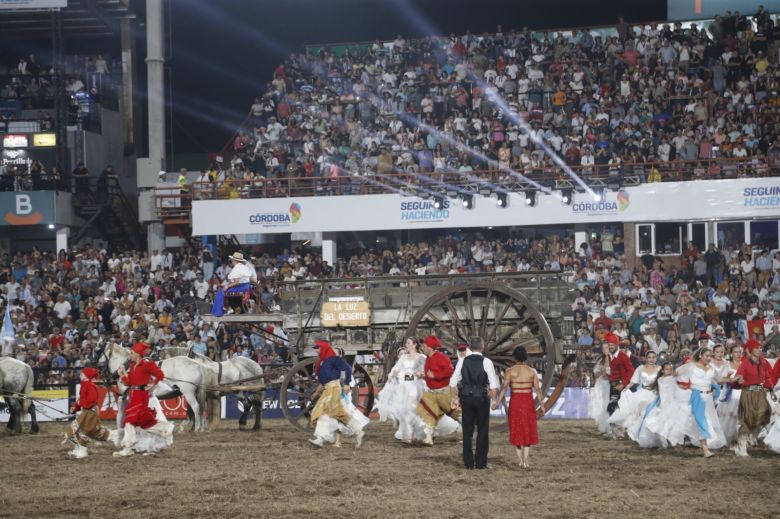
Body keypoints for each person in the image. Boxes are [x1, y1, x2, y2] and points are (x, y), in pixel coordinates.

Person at [113, 342, 173, 457]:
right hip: (134, 395)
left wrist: (152, 384)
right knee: (143, 422)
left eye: (132, 353)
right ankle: (165, 428)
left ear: (138, 354)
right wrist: (122, 374)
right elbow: (129, 383)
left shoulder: (147, 364)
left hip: (141, 396)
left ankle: (128, 447)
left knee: (129, 420)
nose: (130, 354)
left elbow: (160, 375)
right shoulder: (132, 365)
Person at [451, 336, 499, 469]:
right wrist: (494, 400)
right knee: (483, 430)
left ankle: (468, 463)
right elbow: (493, 384)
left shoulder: (462, 361)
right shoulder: (486, 361)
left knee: (467, 431)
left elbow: (453, 382)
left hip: (466, 396)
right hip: (481, 397)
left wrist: (454, 398)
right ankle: (480, 463)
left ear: (469, 348)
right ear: (482, 347)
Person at [308, 340, 367, 448]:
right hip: (327, 390)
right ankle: (359, 431)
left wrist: (347, 383)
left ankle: (320, 439)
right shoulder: (321, 362)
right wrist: (317, 392)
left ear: (324, 348)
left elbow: (348, 368)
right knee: (337, 414)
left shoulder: (334, 359)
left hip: (334, 388)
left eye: (318, 348)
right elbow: (322, 380)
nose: (316, 350)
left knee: (323, 412)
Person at [494, 346, 543, 468]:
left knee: (516, 430)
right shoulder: (532, 371)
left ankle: (519, 460)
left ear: (514, 357)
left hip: (515, 402)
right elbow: (537, 389)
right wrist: (542, 405)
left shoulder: (510, 371)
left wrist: (497, 402)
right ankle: (525, 461)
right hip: (527, 402)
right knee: (527, 430)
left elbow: (504, 388)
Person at [376, 337, 426, 442]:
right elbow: (396, 369)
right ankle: (409, 434)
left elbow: (422, 372)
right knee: (404, 411)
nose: (406, 345)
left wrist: (409, 375)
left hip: (416, 386)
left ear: (414, 345)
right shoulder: (403, 357)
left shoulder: (422, 357)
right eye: (406, 343)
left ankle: (420, 428)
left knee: (411, 408)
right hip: (404, 386)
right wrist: (392, 375)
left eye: (408, 343)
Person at [678, 347, 726, 457]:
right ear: (700, 355)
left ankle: (698, 442)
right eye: (707, 356)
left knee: (705, 420)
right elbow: (677, 373)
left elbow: (719, 380)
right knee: (702, 421)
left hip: (708, 398)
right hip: (697, 396)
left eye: (710, 356)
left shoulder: (711, 368)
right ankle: (705, 450)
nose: (709, 358)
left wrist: (734, 379)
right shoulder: (692, 366)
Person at [734, 339, 776, 456]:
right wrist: (739, 380)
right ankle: (741, 447)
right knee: (747, 419)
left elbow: (767, 377)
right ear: (750, 350)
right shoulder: (745, 364)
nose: (759, 350)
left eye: (760, 348)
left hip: (761, 393)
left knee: (765, 413)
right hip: (748, 393)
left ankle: (752, 436)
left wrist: (771, 390)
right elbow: (738, 378)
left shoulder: (763, 362)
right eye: (756, 348)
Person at [416, 335, 459, 446]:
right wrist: (424, 376)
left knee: (456, 414)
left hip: (444, 392)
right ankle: (428, 438)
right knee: (428, 414)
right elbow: (430, 376)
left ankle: (470, 432)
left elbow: (449, 371)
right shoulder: (428, 359)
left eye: (424, 346)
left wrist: (435, 375)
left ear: (430, 347)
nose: (423, 348)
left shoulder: (442, 358)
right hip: (431, 392)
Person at [609, 351, 661, 442]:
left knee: (652, 414)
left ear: (656, 358)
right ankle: (635, 433)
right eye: (649, 357)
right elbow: (633, 381)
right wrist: (626, 388)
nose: (651, 359)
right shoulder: (640, 368)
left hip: (654, 394)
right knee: (637, 413)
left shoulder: (660, 369)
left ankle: (651, 434)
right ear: (646, 358)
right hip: (642, 393)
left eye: (653, 357)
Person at [65, 367, 111, 458]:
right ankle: (79, 449)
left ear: (87, 376)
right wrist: (76, 406)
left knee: (74, 431)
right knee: (79, 431)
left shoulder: (90, 386)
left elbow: (91, 401)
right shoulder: (85, 384)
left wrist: (78, 403)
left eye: (82, 373)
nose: (81, 374)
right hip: (86, 412)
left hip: (90, 413)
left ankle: (81, 451)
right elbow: (82, 400)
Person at [605, 333, 635, 438]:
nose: (610, 347)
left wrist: (623, 384)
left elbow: (631, 371)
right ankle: (614, 431)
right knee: (611, 408)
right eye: (609, 345)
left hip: (621, 386)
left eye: (612, 345)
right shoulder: (609, 355)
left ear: (617, 345)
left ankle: (620, 431)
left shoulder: (623, 356)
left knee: (617, 408)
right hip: (613, 385)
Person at [588, 344, 612, 436]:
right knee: (601, 405)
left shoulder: (612, 359)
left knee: (607, 405)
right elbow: (596, 374)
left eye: (606, 347)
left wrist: (604, 372)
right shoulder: (600, 359)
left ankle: (609, 427)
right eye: (603, 348)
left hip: (608, 385)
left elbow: (609, 373)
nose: (604, 349)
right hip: (600, 385)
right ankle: (604, 427)